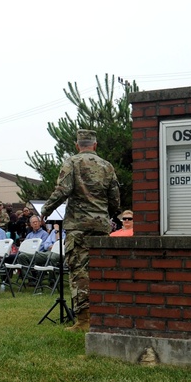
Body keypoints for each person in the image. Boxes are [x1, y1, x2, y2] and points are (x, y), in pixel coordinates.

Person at [41, 129, 121, 333]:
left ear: (77, 145)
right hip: (101, 226)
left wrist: (46, 208)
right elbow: (114, 197)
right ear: (95, 145)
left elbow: (63, 190)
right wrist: (110, 214)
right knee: (100, 270)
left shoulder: (72, 162)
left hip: (78, 227)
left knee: (80, 272)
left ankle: (84, 321)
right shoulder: (107, 166)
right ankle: (103, 316)